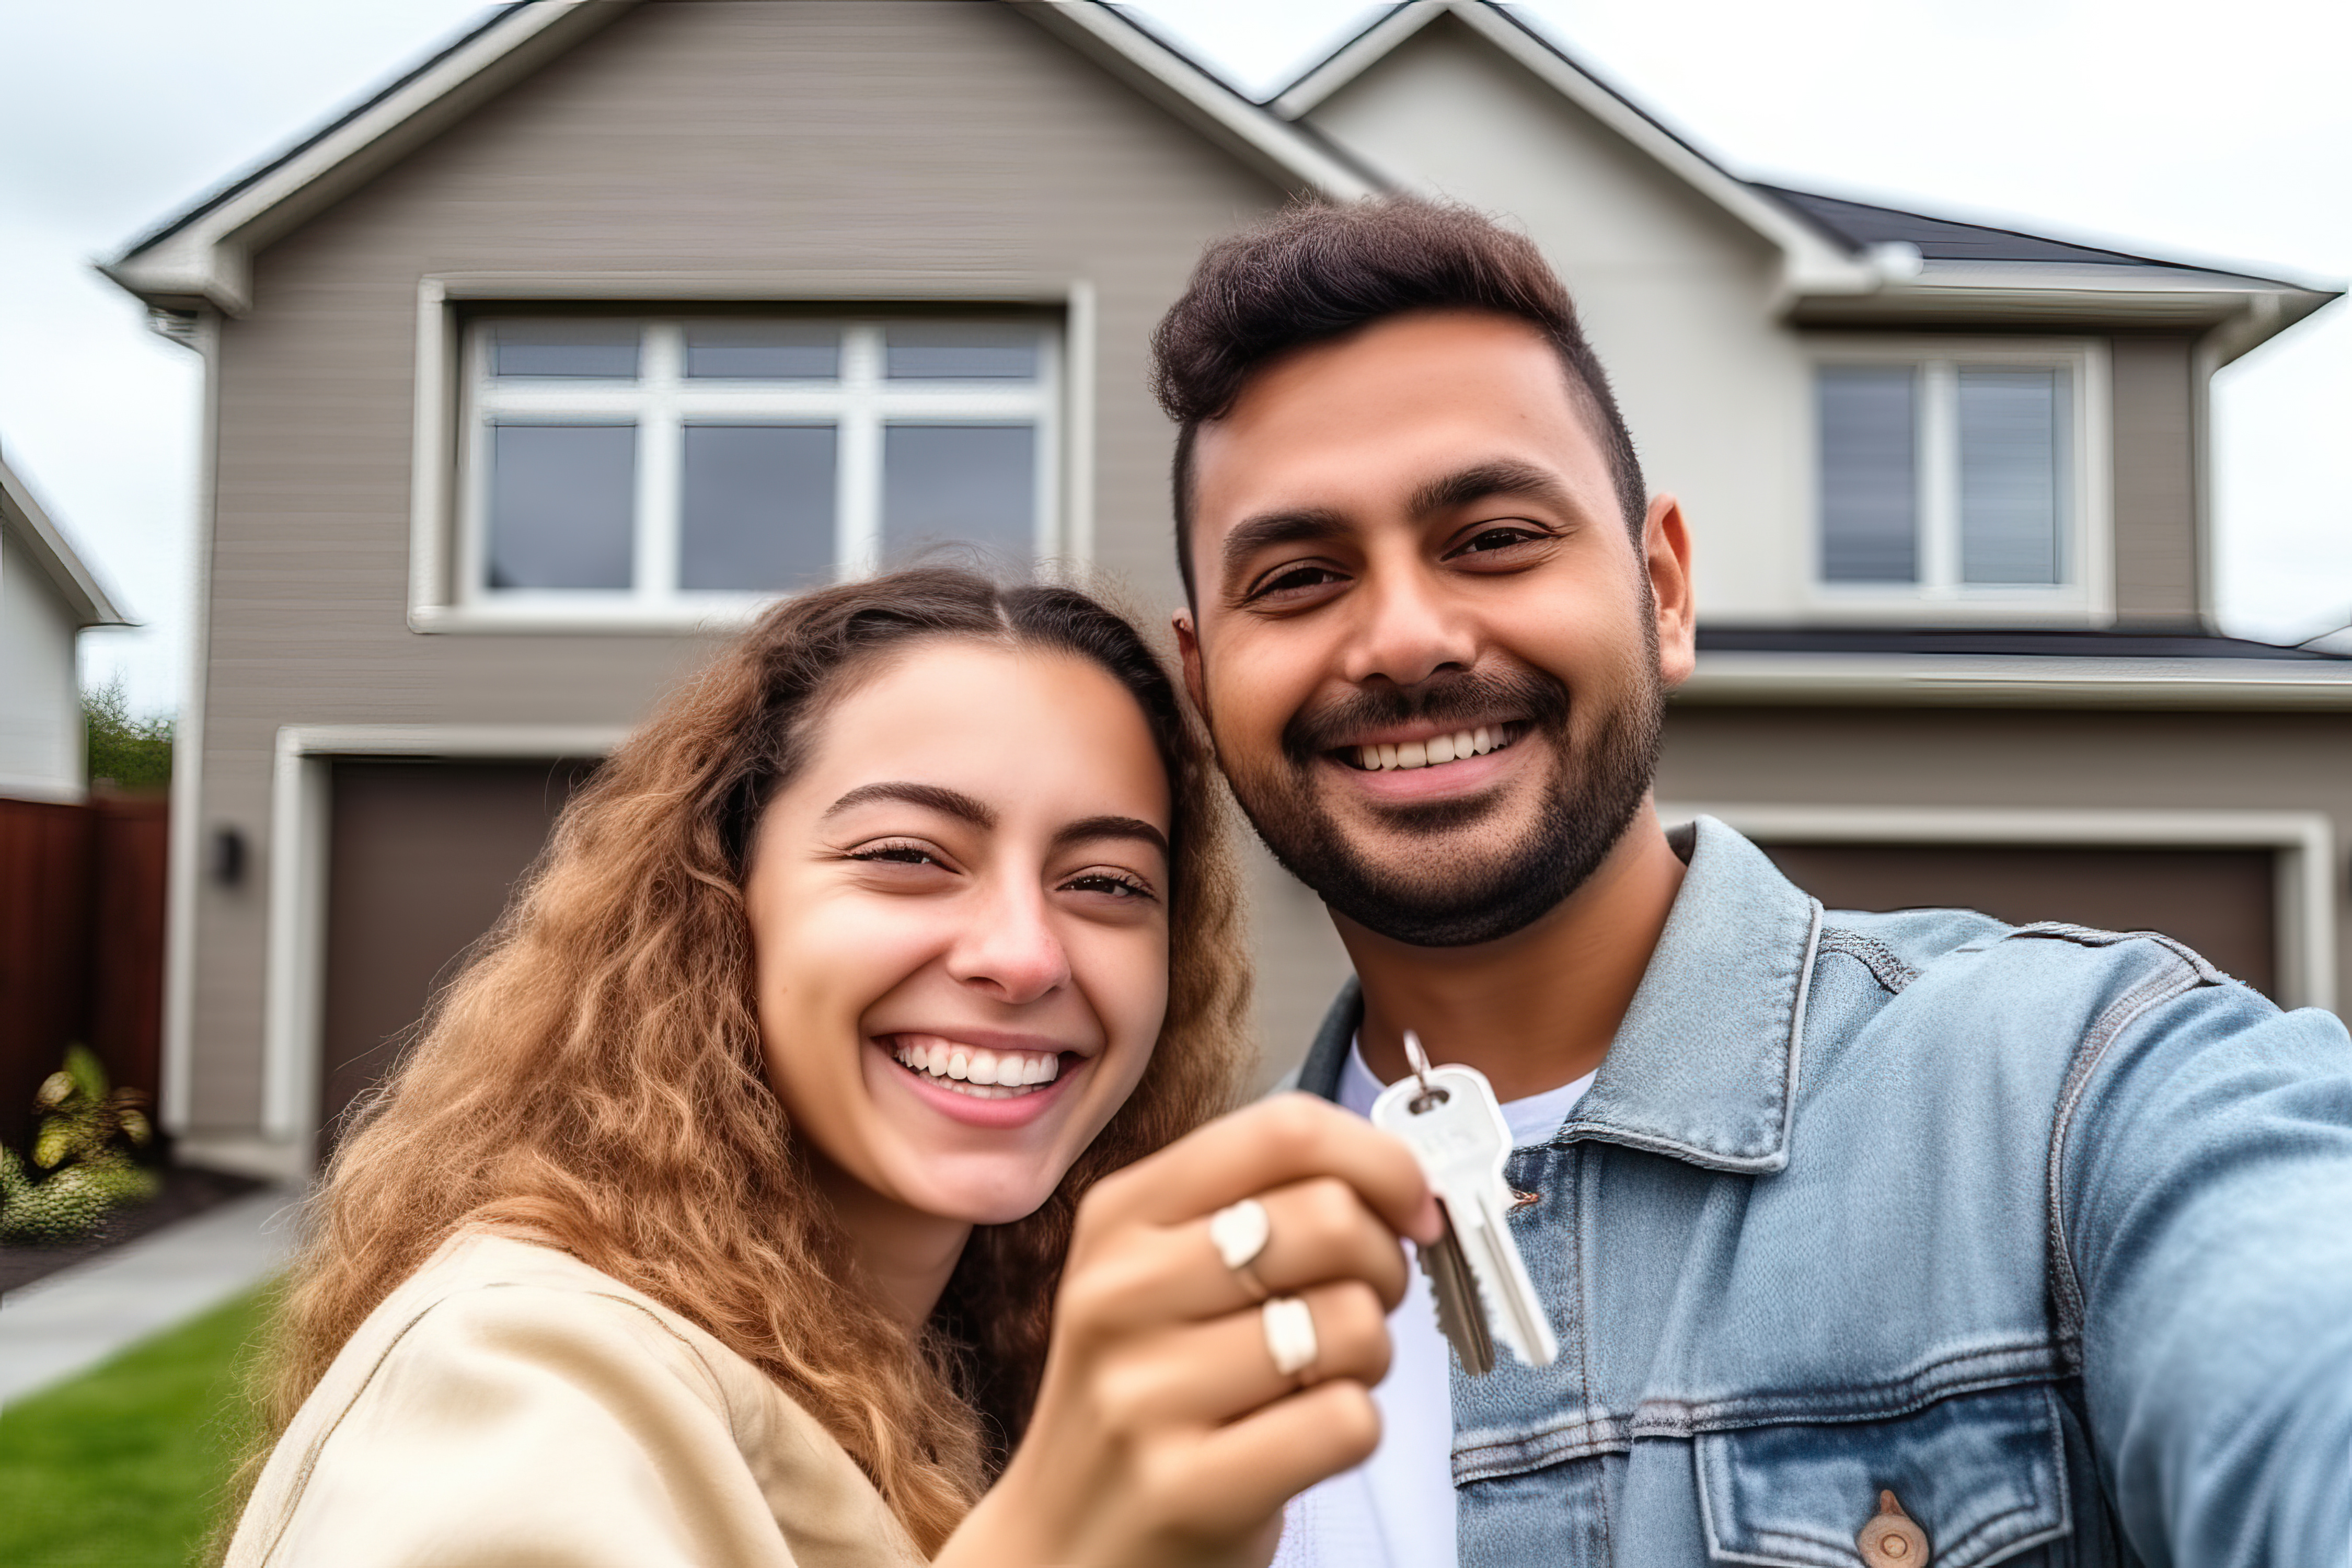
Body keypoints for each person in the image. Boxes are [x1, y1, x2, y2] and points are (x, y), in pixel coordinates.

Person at [1154, 199, 2352, 1567]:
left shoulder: (2072, 1088)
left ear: (1661, 591)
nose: (1405, 638)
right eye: (1300, 577)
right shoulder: (1130, 1315)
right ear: (1204, 687)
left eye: (1491, 539)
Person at [221, 567, 1442, 1568]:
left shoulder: (972, 1371)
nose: (1024, 954)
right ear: (719, 900)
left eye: (1107, 883)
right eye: (910, 853)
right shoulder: (525, 1380)